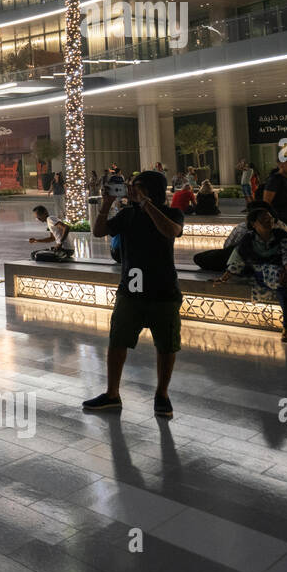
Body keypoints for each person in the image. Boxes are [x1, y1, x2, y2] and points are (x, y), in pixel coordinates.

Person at [87, 171, 183, 418]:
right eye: (132, 188)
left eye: (139, 188)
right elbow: (98, 232)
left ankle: (162, 394)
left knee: (166, 345)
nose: (132, 192)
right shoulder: (127, 214)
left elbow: (170, 231)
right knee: (117, 341)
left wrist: (146, 204)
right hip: (130, 289)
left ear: (154, 191)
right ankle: (112, 394)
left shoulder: (171, 213)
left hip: (163, 290)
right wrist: (106, 205)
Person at [216, 206, 287, 343]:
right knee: (276, 273)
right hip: (264, 273)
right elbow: (237, 260)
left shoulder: (281, 235)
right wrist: (225, 277)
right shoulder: (248, 240)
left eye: (270, 219)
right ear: (254, 224)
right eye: (263, 220)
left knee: (285, 288)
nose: (268, 222)